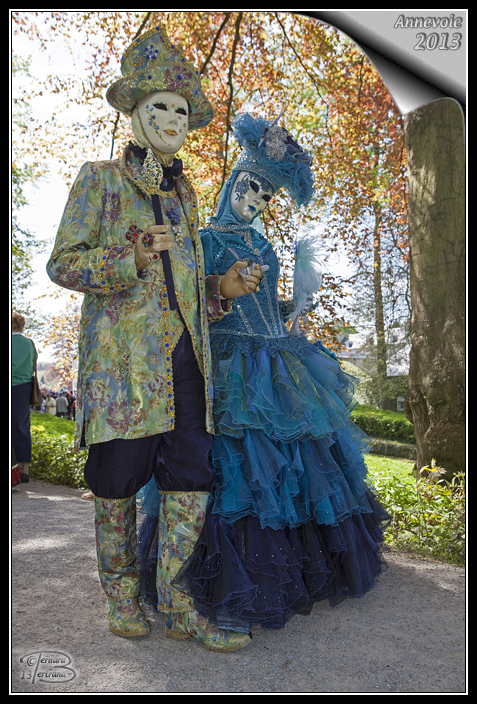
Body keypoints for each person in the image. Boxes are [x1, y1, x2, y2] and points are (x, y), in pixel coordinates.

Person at [46, 26, 261, 650]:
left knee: (190, 475)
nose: (173, 119)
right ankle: (122, 598)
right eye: (161, 107)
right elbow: (63, 264)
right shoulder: (99, 179)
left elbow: (185, 288)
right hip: (124, 370)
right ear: (136, 113)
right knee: (117, 477)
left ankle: (178, 603)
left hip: (188, 363)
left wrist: (222, 288)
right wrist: (131, 257)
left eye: (182, 111)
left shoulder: (186, 194)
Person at [137, 113, 388, 643]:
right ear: (234, 180)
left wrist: (293, 303)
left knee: (297, 466)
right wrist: (222, 291)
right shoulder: (203, 239)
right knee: (234, 464)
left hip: (280, 359)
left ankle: (300, 566)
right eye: (252, 186)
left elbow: (265, 306)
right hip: (231, 366)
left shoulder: (265, 246)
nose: (257, 200)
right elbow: (190, 302)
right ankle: (210, 580)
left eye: (267, 196)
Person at [11, 312, 37, 483]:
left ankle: (13, 470)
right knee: (22, 426)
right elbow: (34, 363)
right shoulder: (29, 343)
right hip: (24, 388)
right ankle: (25, 469)